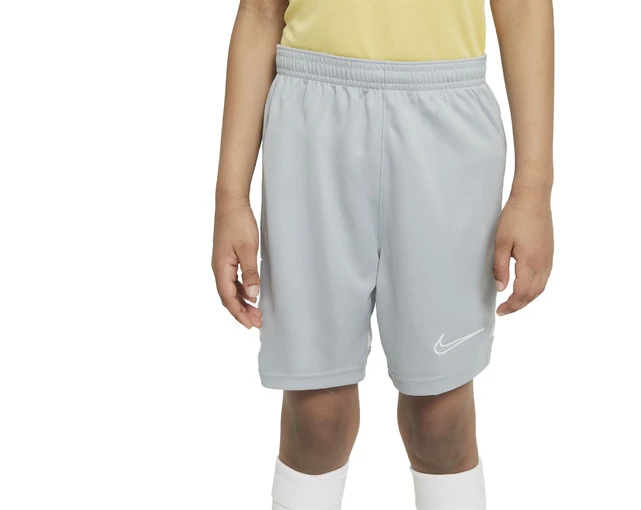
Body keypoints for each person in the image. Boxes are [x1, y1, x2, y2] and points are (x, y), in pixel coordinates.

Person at [212, 0, 554, 507]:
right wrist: (230, 198)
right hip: (312, 119)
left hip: (446, 122)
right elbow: (262, 11)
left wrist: (534, 189)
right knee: (316, 416)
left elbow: (523, 7)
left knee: (441, 417)